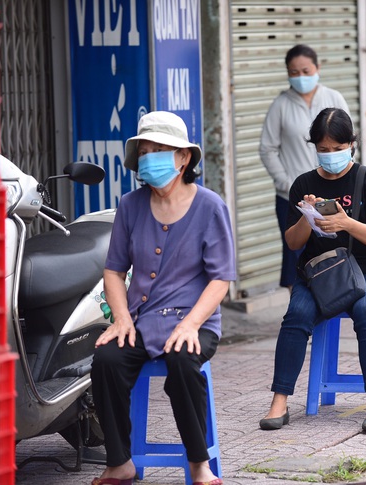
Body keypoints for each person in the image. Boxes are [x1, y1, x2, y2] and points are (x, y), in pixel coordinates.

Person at [91, 111, 236, 485]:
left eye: (161, 149)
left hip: (195, 320)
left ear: (183, 158)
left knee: (183, 360)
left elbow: (221, 278)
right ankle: (120, 461)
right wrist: (122, 318)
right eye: (145, 150)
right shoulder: (130, 205)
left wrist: (190, 324)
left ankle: (198, 463)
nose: (150, 157)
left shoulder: (210, 206)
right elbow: (114, 271)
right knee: (107, 358)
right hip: (142, 319)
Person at [259, 108, 366, 432]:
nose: (330, 155)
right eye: (323, 149)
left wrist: (347, 222)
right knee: (296, 316)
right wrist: (307, 218)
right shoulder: (303, 183)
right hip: (318, 273)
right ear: (314, 147)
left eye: (337, 148)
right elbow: (292, 243)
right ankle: (279, 400)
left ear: (351, 144)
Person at [260, 44, 350, 290]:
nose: (300, 77)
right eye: (294, 72)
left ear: (318, 68)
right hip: (295, 197)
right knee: (296, 258)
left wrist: (342, 175)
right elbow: (267, 149)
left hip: (333, 193)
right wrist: (288, 185)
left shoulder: (334, 98)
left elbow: (348, 139)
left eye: (306, 70)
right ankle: (301, 313)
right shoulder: (280, 105)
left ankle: (335, 301)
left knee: (336, 251)